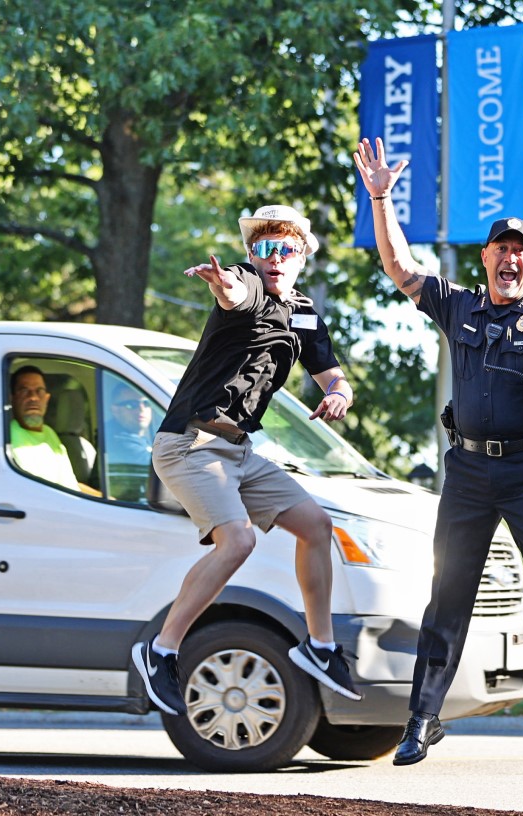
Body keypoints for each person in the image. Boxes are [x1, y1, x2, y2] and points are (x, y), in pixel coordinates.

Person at [353, 137, 523, 775]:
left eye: (520, 250)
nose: (510, 259)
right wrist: (379, 197)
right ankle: (421, 720)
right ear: (485, 258)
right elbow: (399, 268)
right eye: (501, 249)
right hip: (469, 471)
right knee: (447, 592)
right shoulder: (457, 304)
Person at [131, 204, 362, 717]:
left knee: (317, 526)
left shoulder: (303, 314)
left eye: (285, 250)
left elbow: (331, 374)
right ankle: (161, 650)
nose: (273, 259)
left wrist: (340, 393)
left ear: (303, 256)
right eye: (263, 249)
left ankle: (320, 647)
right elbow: (233, 293)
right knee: (238, 539)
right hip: (189, 445)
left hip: (237, 452)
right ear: (250, 256)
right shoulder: (247, 285)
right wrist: (220, 283)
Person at [9, 365, 98, 495]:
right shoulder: (7, 436)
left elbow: (69, 485)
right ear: (12, 398)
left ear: (46, 399)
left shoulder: (50, 433)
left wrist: (106, 499)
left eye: (39, 391)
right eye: (24, 390)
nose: (33, 398)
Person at [105, 382, 154, 502]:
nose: (141, 409)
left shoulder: (139, 437)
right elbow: (168, 466)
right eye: (132, 405)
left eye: (146, 403)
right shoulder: (117, 441)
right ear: (115, 410)